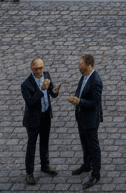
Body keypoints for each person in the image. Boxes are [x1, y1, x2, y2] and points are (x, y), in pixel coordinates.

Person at [21, 58, 61, 184]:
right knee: (31, 147)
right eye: (36, 69)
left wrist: (55, 91)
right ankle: (29, 173)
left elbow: (52, 93)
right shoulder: (26, 84)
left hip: (45, 116)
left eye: (40, 68)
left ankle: (45, 166)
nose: (39, 71)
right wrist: (42, 90)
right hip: (33, 119)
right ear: (32, 69)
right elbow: (30, 102)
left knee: (44, 142)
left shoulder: (47, 75)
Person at [68, 54, 103, 188]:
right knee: (84, 142)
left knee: (93, 145)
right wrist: (76, 98)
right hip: (81, 116)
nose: (79, 69)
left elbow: (95, 103)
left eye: (81, 67)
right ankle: (87, 165)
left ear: (89, 66)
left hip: (91, 119)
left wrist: (79, 101)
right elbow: (80, 90)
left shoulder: (96, 81)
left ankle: (96, 173)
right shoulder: (84, 76)